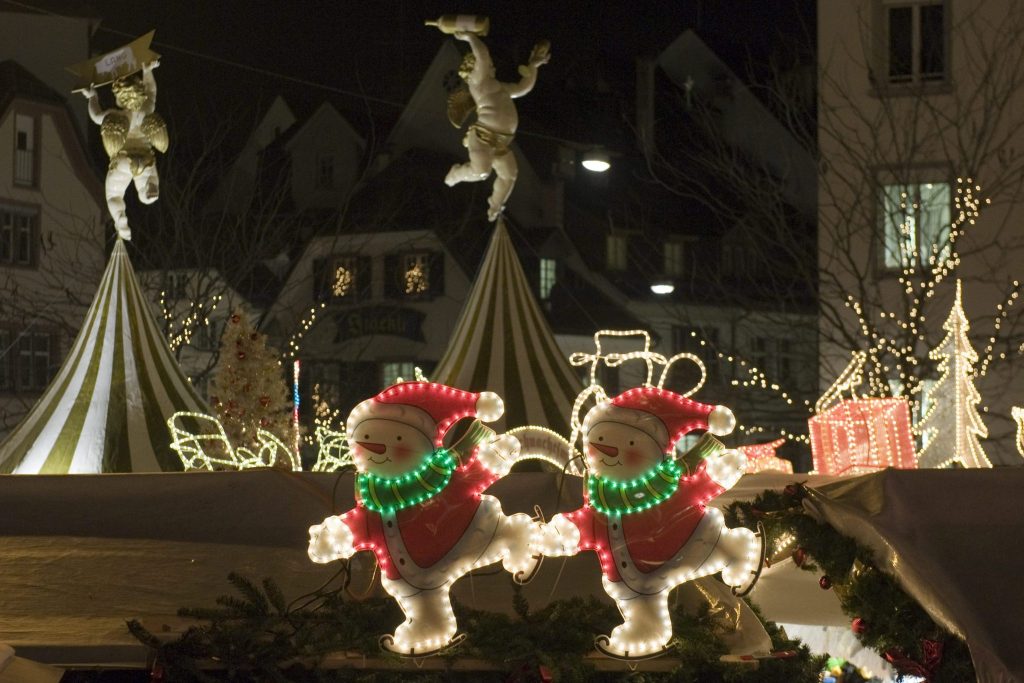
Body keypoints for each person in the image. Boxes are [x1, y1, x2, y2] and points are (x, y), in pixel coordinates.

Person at [445, 33, 550, 221]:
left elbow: (523, 88)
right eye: (487, 65)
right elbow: (483, 55)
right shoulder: (478, 82)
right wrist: (470, 38)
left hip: (501, 142)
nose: (491, 65)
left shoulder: (500, 87)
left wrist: (533, 67)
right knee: (482, 172)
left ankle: (494, 206)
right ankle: (456, 174)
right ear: (475, 68)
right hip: (482, 137)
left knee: (510, 174)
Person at [81, 60, 167, 240]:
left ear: (120, 97)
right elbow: (152, 91)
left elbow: (96, 115)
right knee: (146, 195)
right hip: (145, 158)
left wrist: (92, 97)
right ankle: (148, 189)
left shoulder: (115, 115)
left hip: (123, 161)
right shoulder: (146, 110)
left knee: (113, 195)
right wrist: (147, 70)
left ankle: (120, 220)